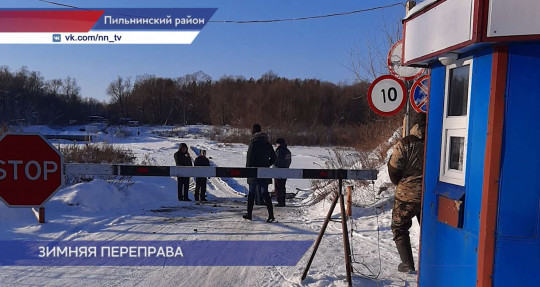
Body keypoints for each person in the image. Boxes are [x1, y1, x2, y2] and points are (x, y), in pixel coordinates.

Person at [387, 113, 426, 272]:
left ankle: (407, 264)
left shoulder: (406, 142)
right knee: (429, 229)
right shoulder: (439, 140)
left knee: (399, 226)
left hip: (407, 195)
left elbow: (394, 170)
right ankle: (432, 263)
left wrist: (401, 183)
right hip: (430, 193)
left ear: (414, 126)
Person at [243, 123, 276, 222]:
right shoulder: (267, 143)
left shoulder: (253, 143)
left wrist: (248, 169)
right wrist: (268, 164)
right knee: (265, 193)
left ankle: (249, 214)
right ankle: (271, 215)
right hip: (264, 171)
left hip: (253, 171)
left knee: (251, 193)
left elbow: (249, 158)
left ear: (253, 132)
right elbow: (274, 157)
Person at [273, 138, 292, 207]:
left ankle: (280, 202)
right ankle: (282, 201)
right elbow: (289, 161)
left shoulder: (279, 151)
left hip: (278, 170)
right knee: (282, 186)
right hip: (285, 169)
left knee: (278, 186)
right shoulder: (287, 151)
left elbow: (276, 160)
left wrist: (274, 166)